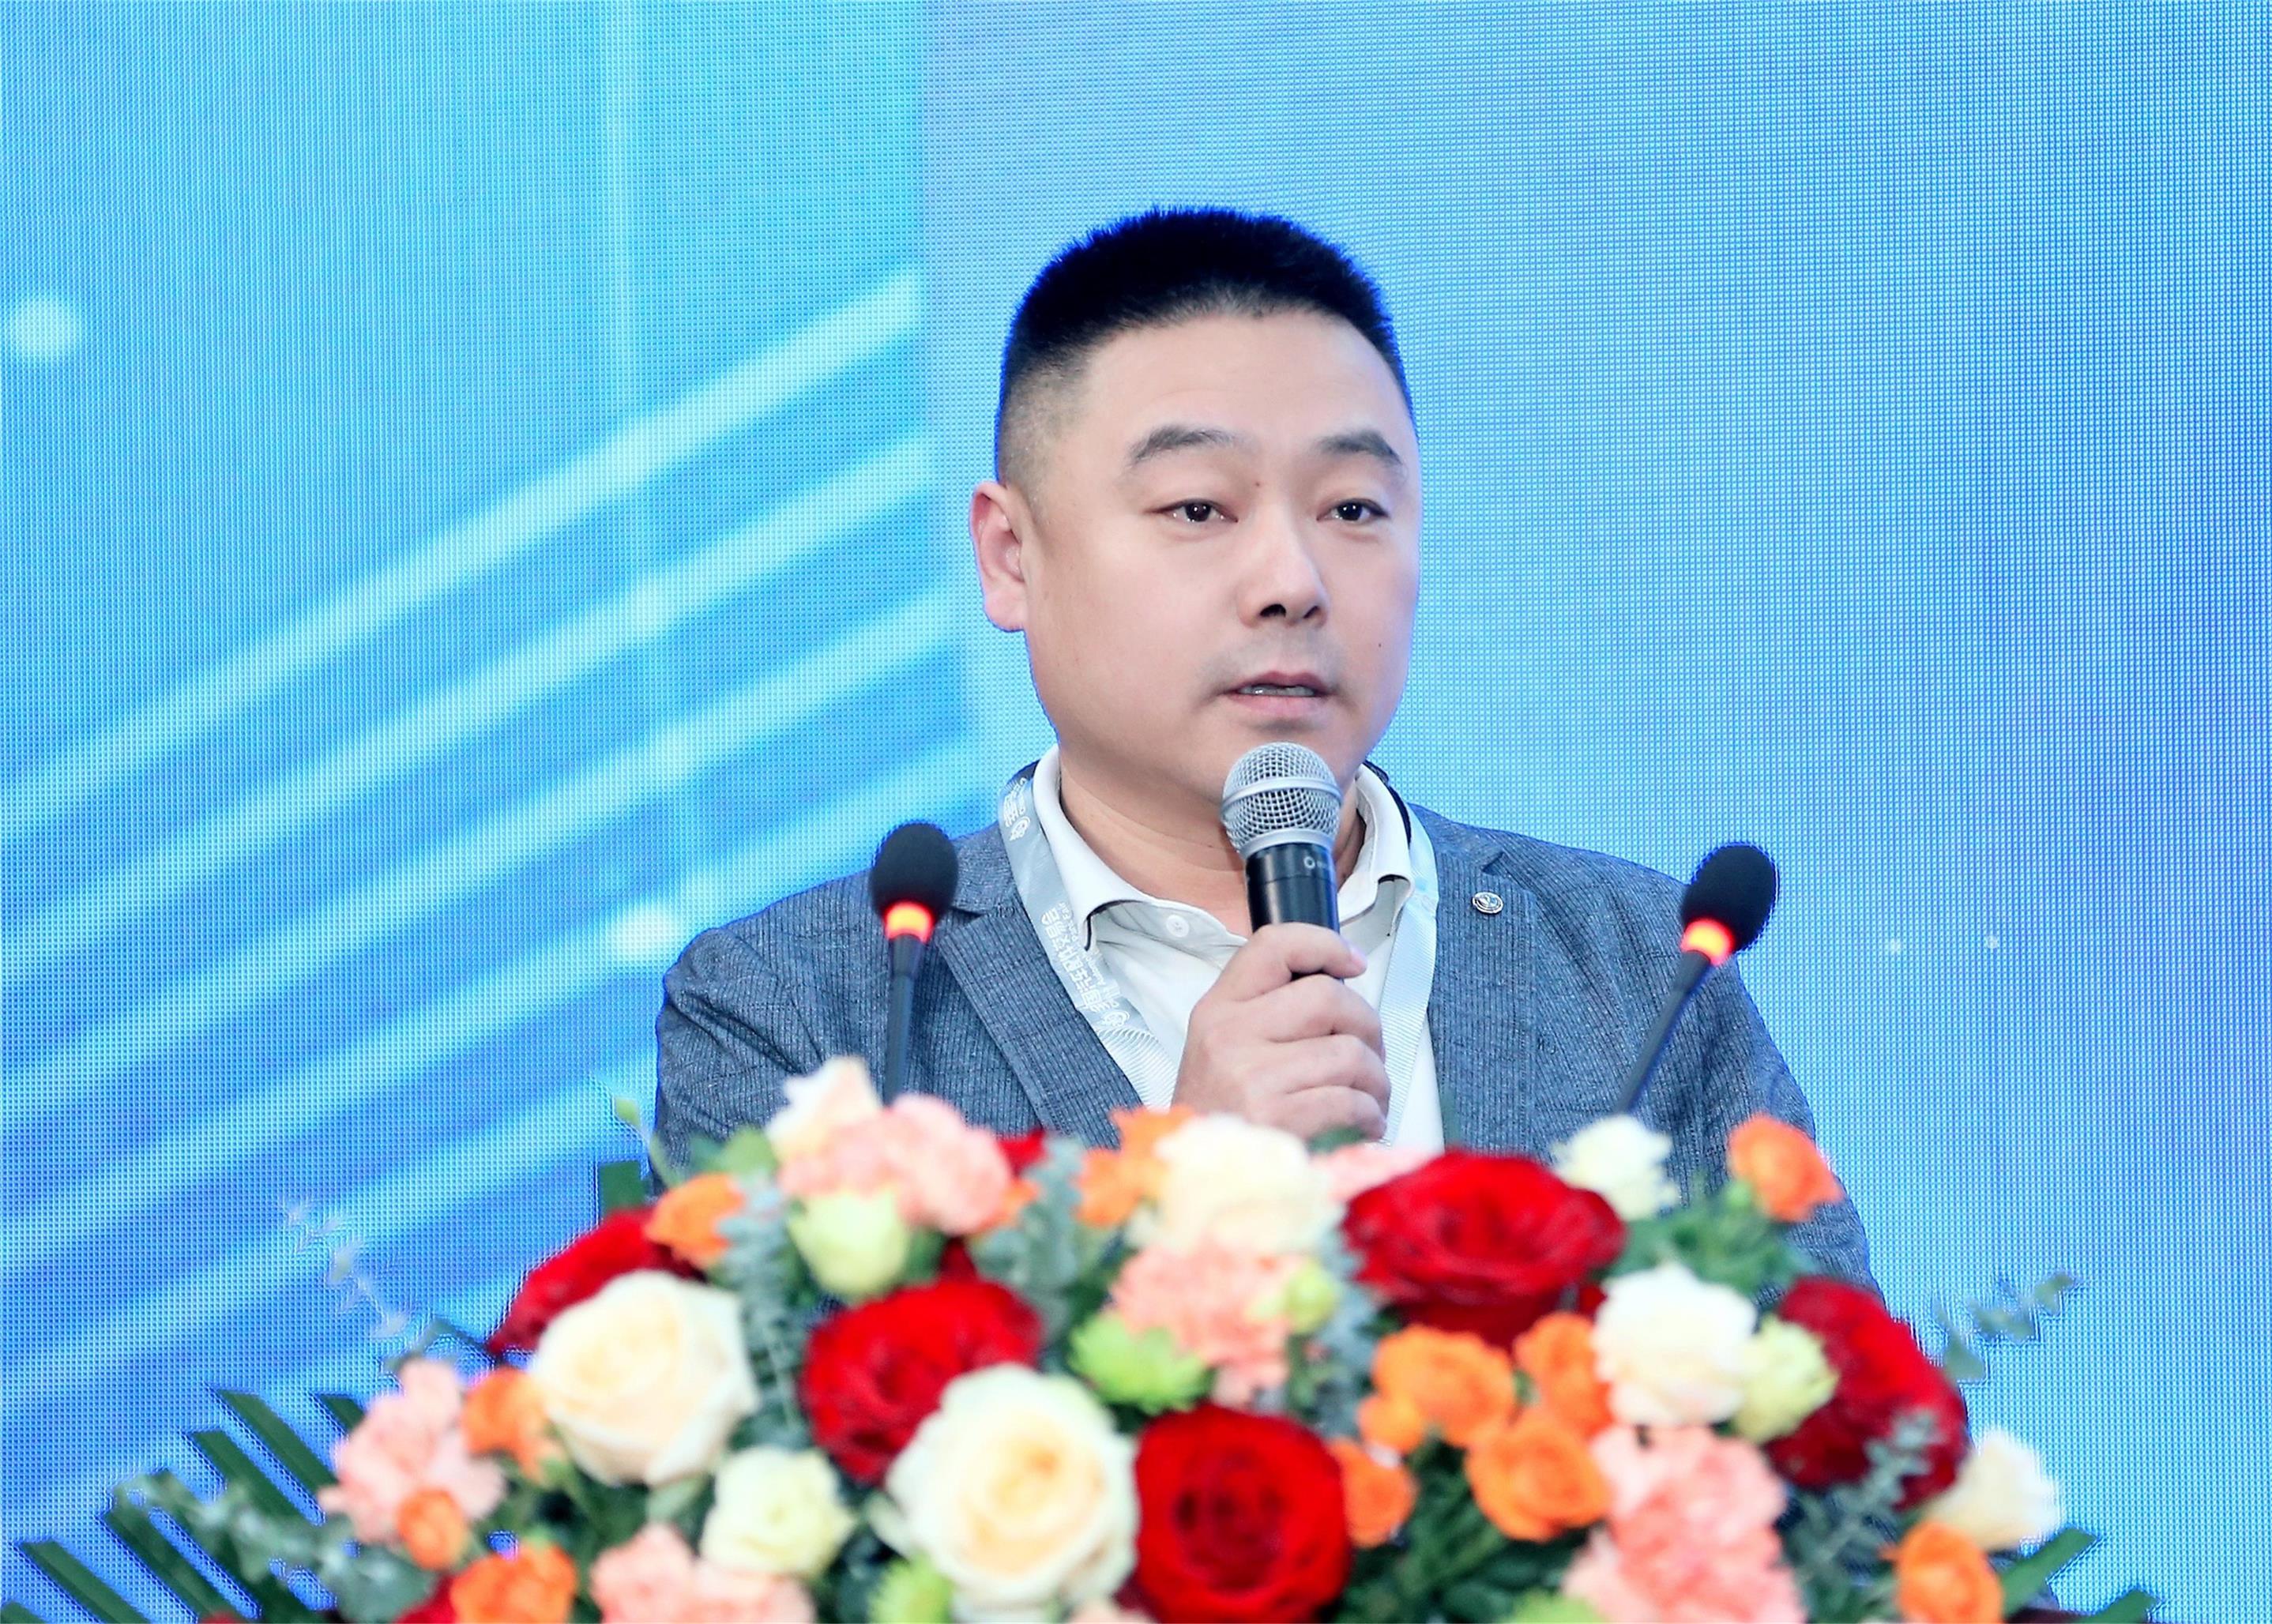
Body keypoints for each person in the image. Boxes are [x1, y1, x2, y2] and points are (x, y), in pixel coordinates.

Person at [653, 205, 1871, 1285]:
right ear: (1011, 557)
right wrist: (1188, 1198)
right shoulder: (808, 1008)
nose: (1291, 579)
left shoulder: (1638, 967)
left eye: (1352, 509)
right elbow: (774, 1452)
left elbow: (1840, 1436)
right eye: (1198, 507)